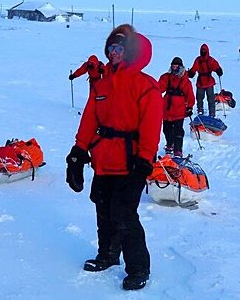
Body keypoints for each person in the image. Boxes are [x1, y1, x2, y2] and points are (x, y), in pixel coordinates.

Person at [65, 24, 162, 291]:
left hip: (130, 163)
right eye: (111, 47)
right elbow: (89, 119)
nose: (114, 52)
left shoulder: (146, 86)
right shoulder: (102, 84)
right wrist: (78, 152)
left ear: (130, 52)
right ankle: (107, 254)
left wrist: (145, 161)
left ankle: (138, 267)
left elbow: (151, 127)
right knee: (103, 209)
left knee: (124, 214)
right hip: (104, 160)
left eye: (120, 48)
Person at [158, 57, 195, 158]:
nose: (174, 68)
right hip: (167, 108)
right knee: (166, 129)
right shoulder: (166, 77)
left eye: (176, 66)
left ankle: (178, 149)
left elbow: (190, 95)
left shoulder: (185, 81)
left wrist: (190, 107)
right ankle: (170, 144)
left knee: (178, 130)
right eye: (173, 66)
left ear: (180, 67)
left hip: (179, 109)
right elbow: (159, 88)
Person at [188, 43, 223, 117]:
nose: (203, 52)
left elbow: (216, 66)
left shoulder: (203, 60)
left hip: (204, 82)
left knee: (206, 99)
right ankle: (208, 113)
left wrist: (190, 73)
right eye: (202, 50)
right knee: (202, 98)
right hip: (205, 82)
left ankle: (206, 112)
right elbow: (194, 68)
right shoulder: (208, 60)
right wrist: (219, 71)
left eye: (204, 50)